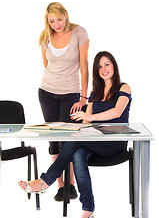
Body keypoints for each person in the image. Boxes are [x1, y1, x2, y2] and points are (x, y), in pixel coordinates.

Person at [19, 51, 132, 218]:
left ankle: (45, 181)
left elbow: (117, 112)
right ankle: (88, 209)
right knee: (78, 153)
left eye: (107, 64)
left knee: (76, 144)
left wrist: (90, 117)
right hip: (96, 140)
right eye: (100, 66)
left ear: (114, 66)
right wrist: (78, 129)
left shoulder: (124, 87)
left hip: (115, 141)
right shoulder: (96, 92)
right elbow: (86, 123)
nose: (104, 69)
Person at [38, 2, 89, 201]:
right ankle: (61, 187)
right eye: (52, 21)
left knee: (67, 139)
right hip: (47, 92)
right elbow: (47, 64)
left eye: (59, 19)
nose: (56, 24)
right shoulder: (44, 36)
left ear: (66, 15)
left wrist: (84, 97)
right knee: (53, 139)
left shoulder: (79, 33)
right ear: (47, 21)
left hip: (70, 94)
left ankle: (70, 185)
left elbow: (84, 67)